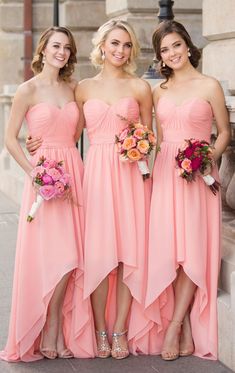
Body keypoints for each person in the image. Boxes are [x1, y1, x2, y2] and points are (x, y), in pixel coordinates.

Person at [0, 26, 95, 362]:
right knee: (49, 255)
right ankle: (44, 330)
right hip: (43, 179)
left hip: (73, 171)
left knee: (72, 255)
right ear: (43, 49)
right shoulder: (27, 90)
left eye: (67, 48)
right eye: (56, 46)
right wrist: (34, 172)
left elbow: (82, 130)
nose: (62, 52)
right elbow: (10, 138)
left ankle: (55, 326)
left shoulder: (74, 88)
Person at [145, 20, 230, 361]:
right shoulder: (158, 91)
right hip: (166, 173)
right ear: (160, 56)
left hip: (197, 177)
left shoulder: (209, 85)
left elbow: (223, 132)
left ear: (188, 45)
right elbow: (156, 139)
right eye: (164, 49)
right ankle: (182, 324)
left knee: (192, 251)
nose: (172, 53)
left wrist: (208, 158)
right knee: (171, 251)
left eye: (176, 45)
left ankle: (176, 325)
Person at [75, 19, 153, 359]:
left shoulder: (140, 88)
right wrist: (38, 143)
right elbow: (70, 132)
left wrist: (139, 144)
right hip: (96, 175)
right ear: (102, 46)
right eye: (115, 44)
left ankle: (120, 330)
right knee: (97, 256)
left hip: (128, 175)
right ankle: (98, 330)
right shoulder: (83, 88)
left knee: (125, 257)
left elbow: (151, 139)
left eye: (126, 45)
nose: (120, 50)